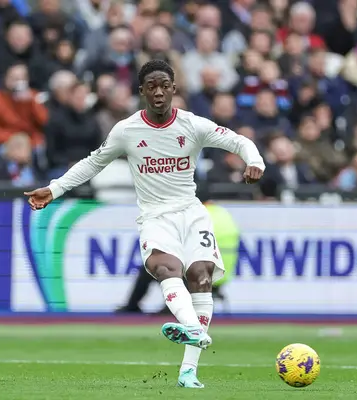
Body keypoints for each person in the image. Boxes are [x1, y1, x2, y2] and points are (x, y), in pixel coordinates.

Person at [24, 59, 265, 389]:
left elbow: (239, 141)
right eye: (151, 86)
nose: (158, 92)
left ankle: (188, 371)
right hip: (155, 215)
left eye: (164, 85)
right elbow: (92, 164)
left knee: (201, 276)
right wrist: (54, 189)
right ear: (141, 92)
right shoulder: (127, 131)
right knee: (165, 268)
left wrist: (254, 160)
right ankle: (193, 328)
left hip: (191, 213)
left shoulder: (193, 125)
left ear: (174, 89)